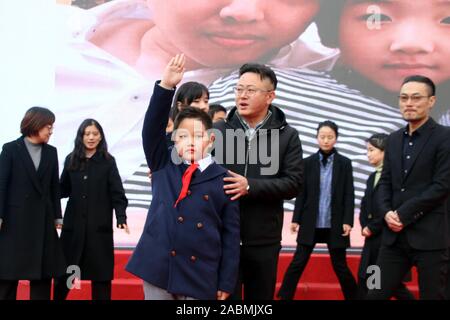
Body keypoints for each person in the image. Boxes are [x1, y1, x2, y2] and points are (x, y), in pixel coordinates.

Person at [126, 54, 240, 300]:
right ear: (174, 138)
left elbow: (230, 236)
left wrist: (227, 280)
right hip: (159, 266)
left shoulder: (223, 179)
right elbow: (151, 130)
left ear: (210, 140)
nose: (190, 141)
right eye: (183, 135)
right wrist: (166, 86)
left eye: (198, 136)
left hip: (201, 273)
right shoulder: (163, 162)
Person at [213, 63, 304, 300]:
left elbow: (293, 183)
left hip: (263, 239)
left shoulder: (287, 136)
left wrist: (250, 186)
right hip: (222, 236)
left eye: (250, 90)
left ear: (270, 96)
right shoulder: (218, 131)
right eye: (239, 89)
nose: (242, 95)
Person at [366, 75, 450, 300]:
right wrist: (386, 214)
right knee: (374, 293)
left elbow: (442, 186)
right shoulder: (392, 140)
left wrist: (403, 214)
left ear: (431, 101)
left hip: (430, 237)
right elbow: (384, 182)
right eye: (403, 98)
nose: (409, 103)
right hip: (393, 239)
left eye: (416, 98)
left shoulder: (445, 138)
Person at [315, 0, 450, 125]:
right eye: (376, 18)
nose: (411, 44)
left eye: (447, 20)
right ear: (332, 26)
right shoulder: (298, 96)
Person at [277, 121, 357, 300]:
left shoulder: (345, 163)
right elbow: (302, 194)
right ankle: (284, 295)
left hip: (334, 223)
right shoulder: (307, 163)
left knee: (340, 266)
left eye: (330, 137)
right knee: (298, 262)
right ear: (317, 138)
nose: (326, 140)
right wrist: (296, 219)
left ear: (336, 138)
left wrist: (348, 221)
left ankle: (355, 296)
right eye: (323, 137)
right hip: (310, 222)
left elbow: (349, 195)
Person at [53, 119, 129, 300]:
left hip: (98, 230)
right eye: (87, 134)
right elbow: (62, 189)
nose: (91, 137)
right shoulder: (71, 160)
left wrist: (121, 216)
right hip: (74, 229)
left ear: (101, 136)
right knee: (66, 275)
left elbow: (117, 192)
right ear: (81, 137)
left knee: (100, 277)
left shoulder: (108, 162)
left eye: (95, 134)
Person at [0, 107, 66, 300]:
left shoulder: (51, 152)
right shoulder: (10, 149)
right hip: (14, 223)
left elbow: (54, 187)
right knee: (7, 275)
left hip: (42, 222)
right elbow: (2, 184)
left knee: (42, 275)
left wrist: (57, 216)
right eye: (48, 126)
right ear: (35, 125)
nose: (51, 131)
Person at [357, 133, 414, 300]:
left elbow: (388, 207)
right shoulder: (371, 177)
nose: (368, 154)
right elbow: (365, 205)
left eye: (372, 150)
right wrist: (364, 225)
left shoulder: (394, 178)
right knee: (372, 280)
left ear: (384, 152)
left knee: (389, 284)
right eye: (367, 150)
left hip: (386, 237)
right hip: (372, 239)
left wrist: (372, 226)